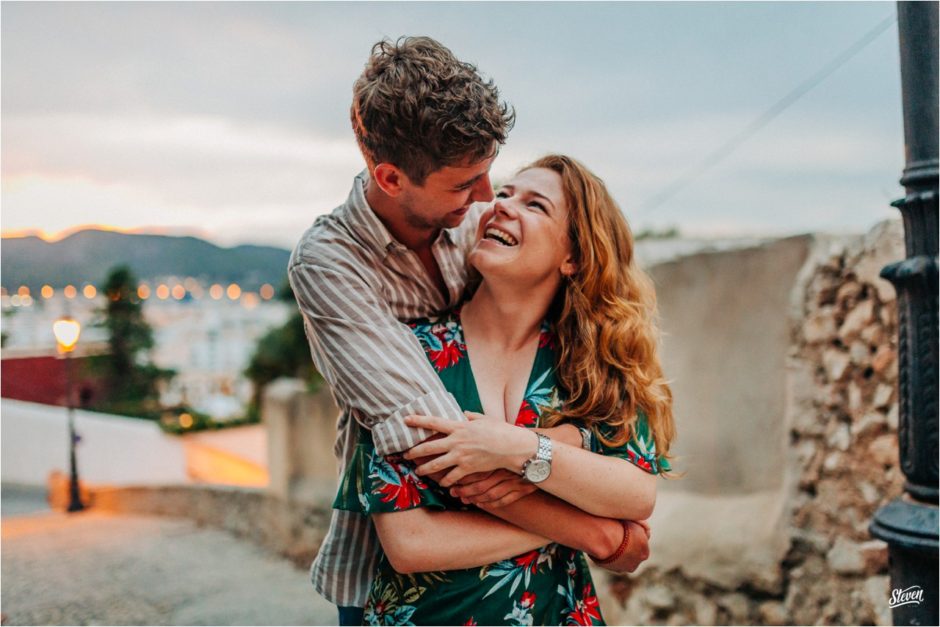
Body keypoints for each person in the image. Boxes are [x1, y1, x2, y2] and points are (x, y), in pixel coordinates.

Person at [288, 37, 653, 625]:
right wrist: (592, 528)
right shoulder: (332, 265)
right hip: (406, 593)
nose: (489, 201)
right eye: (469, 184)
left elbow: (637, 487)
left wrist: (551, 446)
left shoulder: (562, 335)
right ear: (390, 177)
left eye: (499, 183)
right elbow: (428, 442)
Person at [334, 155, 676, 625]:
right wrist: (588, 530)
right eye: (505, 194)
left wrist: (514, 448)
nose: (501, 206)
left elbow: (636, 496)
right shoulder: (406, 353)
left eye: (535, 205)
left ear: (573, 257)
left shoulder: (593, 364)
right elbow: (411, 543)